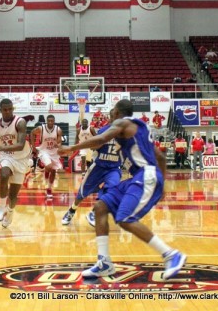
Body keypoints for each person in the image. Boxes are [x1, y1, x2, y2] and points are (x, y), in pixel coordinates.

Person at [59, 99, 186, 280]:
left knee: (125, 218)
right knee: (100, 206)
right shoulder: (140, 129)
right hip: (141, 176)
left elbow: (102, 139)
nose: (111, 119)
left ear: (117, 113)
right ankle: (104, 262)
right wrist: (162, 182)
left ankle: (171, 254)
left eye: (111, 115)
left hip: (145, 175)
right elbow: (160, 157)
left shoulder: (122, 122)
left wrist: (72, 147)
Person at [61, 109, 122, 227]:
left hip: (114, 168)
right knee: (82, 194)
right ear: (110, 117)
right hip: (99, 166)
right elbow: (95, 147)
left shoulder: (125, 134)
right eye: (116, 116)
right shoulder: (104, 131)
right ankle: (71, 210)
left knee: (112, 190)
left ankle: (94, 212)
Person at [0, 99, 31, 228]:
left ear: (13, 109)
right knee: (4, 174)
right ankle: (1, 206)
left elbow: (20, 145)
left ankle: (10, 212)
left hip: (21, 158)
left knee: (13, 194)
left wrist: (1, 148)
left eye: (10, 109)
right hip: (5, 156)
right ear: (0, 110)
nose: (7, 112)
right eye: (5, 109)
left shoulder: (20, 122)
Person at [29, 115, 63, 198]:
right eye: (49, 121)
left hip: (54, 152)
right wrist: (33, 146)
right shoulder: (41, 128)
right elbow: (32, 133)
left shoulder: (58, 129)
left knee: (54, 171)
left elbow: (59, 140)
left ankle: (49, 188)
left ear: (54, 121)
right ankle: (47, 179)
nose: (50, 122)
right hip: (44, 151)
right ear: (46, 121)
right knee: (49, 166)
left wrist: (57, 144)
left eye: (52, 121)